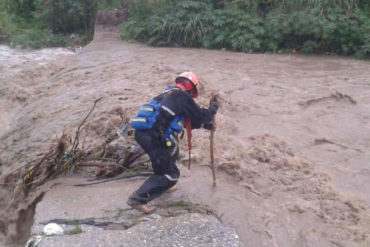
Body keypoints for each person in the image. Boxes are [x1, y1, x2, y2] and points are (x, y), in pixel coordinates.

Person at [128, 72, 220, 213]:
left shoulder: (167, 94)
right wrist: (213, 109)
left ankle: (163, 184)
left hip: (145, 134)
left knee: (172, 151)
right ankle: (138, 199)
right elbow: (201, 116)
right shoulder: (182, 96)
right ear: (191, 88)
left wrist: (204, 126)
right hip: (154, 136)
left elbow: (181, 120)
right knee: (171, 174)